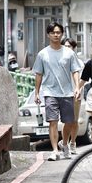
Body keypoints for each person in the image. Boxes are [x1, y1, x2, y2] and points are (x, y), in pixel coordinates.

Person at [33, 22, 81, 161]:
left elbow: (75, 71)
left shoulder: (69, 53)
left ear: (62, 34)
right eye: (53, 32)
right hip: (50, 92)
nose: (56, 35)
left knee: (69, 122)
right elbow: (38, 74)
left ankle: (64, 143)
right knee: (52, 121)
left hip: (67, 92)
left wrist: (77, 87)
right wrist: (37, 92)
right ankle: (55, 150)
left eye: (58, 32)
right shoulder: (42, 54)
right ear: (48, 34)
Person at [63, 38, 84, 155]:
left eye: (69, 46)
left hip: (76, 95)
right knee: (67, 121)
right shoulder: (60, 62)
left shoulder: (79, 63)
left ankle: (73, 143)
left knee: (74, 121)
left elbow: (83, 79)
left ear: (73, 48)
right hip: (64, 95)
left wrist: (79, 90)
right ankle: (64, 143)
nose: (67, 48)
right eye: (65, 46)